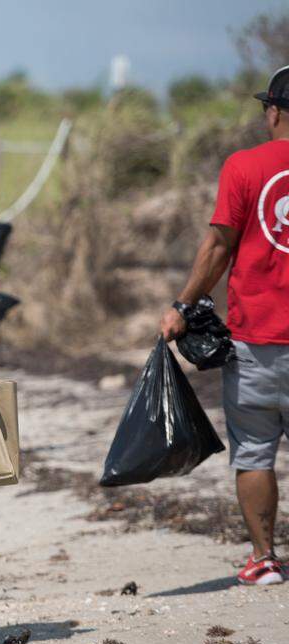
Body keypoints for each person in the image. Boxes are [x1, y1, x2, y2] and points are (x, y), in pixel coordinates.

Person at [159, 65, 289, 586]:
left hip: (257, 340)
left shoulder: (245, 166)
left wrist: (182, 306)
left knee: (255, 453)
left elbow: (218, 248)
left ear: (274, 111)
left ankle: (265, 559)